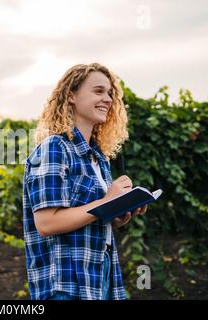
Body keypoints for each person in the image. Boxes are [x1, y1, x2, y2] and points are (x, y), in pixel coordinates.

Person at [23, 63, 147, 300]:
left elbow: (91, 218)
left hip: (100, 275)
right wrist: (107, 202)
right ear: (71, 96)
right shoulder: (55, 148)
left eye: (110, 93)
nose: (108, 99)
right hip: (66, 283)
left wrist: (118, 213)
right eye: (98, 91)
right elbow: (47, 223)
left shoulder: (98, 158)